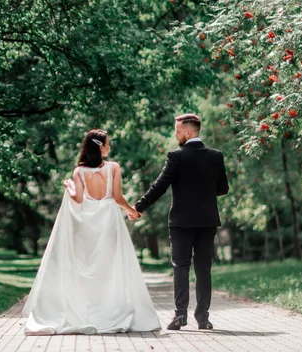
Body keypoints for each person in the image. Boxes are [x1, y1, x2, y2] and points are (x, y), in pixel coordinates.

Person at [22, 128, 161, 335]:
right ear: (101, 147)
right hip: (108, 219)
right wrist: (132, 211)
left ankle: (87, 312)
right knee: (110, 266)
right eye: (108, 144)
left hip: (86, 221)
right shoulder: (113, 167)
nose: (110, 147)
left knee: (85, 266)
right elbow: (117, 197)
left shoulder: (79, 171)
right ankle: (110, 311)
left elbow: (77, 199)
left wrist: (69, 185)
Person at [133, 114, 229, 330]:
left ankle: (180, 316)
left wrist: (139, 207)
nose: (175, 135)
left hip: (181, 222)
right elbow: (223, 189)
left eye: (177, 131)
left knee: (180, 268)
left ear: (188, 132)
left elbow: (159, 186)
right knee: (204, 269)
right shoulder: (216, 156)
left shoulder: (176, 157)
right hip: (207, 220)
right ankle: (203, 318)